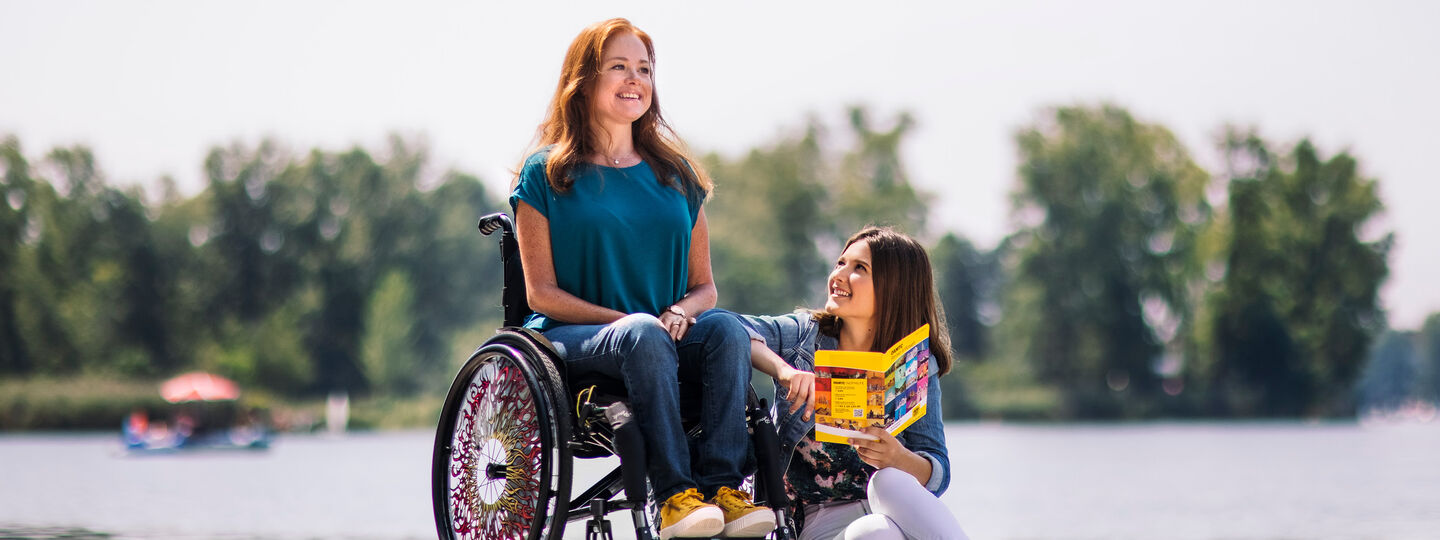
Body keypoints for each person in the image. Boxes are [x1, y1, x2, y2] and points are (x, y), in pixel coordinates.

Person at [508, 18, 774, 539]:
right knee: (641, 334)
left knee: (723, 328)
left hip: (661, 335)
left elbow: (705, 288)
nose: (635, 80)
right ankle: (673, 496)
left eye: (644, 69)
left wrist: (679, 312)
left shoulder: (677, 175)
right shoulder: (546, 174)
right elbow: (541, 294)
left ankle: (722, 489)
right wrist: (630, 322)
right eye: (619, 67)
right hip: (575, 339)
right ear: (583, 81)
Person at [735, 226, 969, 539]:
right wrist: (784, 371)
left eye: (859, 268)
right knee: (873, 532)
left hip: (893, 510)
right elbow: (729, 329)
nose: (839, 275)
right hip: (816, 521)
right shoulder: (803, 336)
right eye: (840, 263)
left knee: (888, 481)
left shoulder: (915, 363)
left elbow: (937, 472)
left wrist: (897, 458)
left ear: (894, 287)